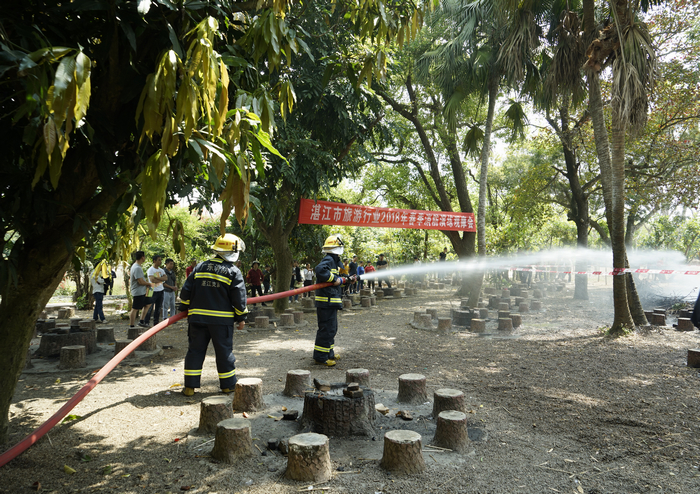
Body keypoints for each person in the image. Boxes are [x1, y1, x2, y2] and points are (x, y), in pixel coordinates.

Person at [179, 234, 248, 396]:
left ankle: (190, 387)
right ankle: (228, 385)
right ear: (233, 252)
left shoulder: (200, 267)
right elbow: (239, 298)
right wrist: (241, 317)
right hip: (221, 321)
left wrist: (184, 307)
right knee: (224, 352)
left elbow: (186, 291)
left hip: (197, 319)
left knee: (195, 351)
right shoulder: (233, 271)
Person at [313, 234, 355, 366]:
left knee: (332, 328)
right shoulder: (329, 259)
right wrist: (334, 279)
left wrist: (348, 280)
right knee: (326, 329)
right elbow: (320, 270)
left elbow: (338, 280)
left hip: (331, 302)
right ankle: (320, 357)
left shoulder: (335, 261)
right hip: (326, 302)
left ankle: (329, 353)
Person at [129, 251, 154, 329]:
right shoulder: (136, 267)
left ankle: (141, 321)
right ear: (142, 257)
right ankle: (132, 325)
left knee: (148, 303)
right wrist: (149, 284)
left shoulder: (137, 266)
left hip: (142, 291)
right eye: (144, 257)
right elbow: (140, 281)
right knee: (135, 308)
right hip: (138, 292)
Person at [144, 254, 167, 327]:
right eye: (159, 260)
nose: (160, 261)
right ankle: (146, 322)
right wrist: (161, 278)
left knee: (158, 307)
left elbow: (166, 278)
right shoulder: (150, 270)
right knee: (149, 307)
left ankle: (156, 323)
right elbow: (152, 280)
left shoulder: (161, 270)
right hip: (151, 289)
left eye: (161, 260)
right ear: (154, 261)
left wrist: (157, 278)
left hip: (161, 290)